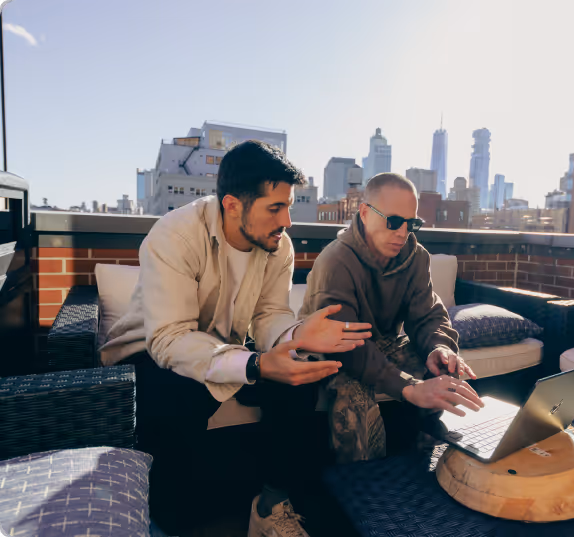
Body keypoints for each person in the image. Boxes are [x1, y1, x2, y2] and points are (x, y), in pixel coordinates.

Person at [100, 140, 371, 537]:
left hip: (227, 348)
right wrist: (256, 365)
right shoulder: (175, 236)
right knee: (182, 394)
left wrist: (297, 336)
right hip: (148, 353)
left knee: (299, 378)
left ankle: (270, 505)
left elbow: (269, 316)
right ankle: (169, 520)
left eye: (289, 206)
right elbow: (170, 339)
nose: (288, 221)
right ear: (232, 205)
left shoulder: (277, 245)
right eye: (275, 208)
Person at [299, 173, 484, 464]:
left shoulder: (416, 257)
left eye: (411, 224)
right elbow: (347, 345)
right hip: (330, 352)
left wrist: (440, 348)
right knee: (353, 393)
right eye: (394, 221)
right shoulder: (335, 261)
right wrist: (409, 387)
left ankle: (429, 461)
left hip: (382, 344)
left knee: (442, 369)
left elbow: (428, 315)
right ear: (364, 213)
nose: (403, 233)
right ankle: (362, 485)